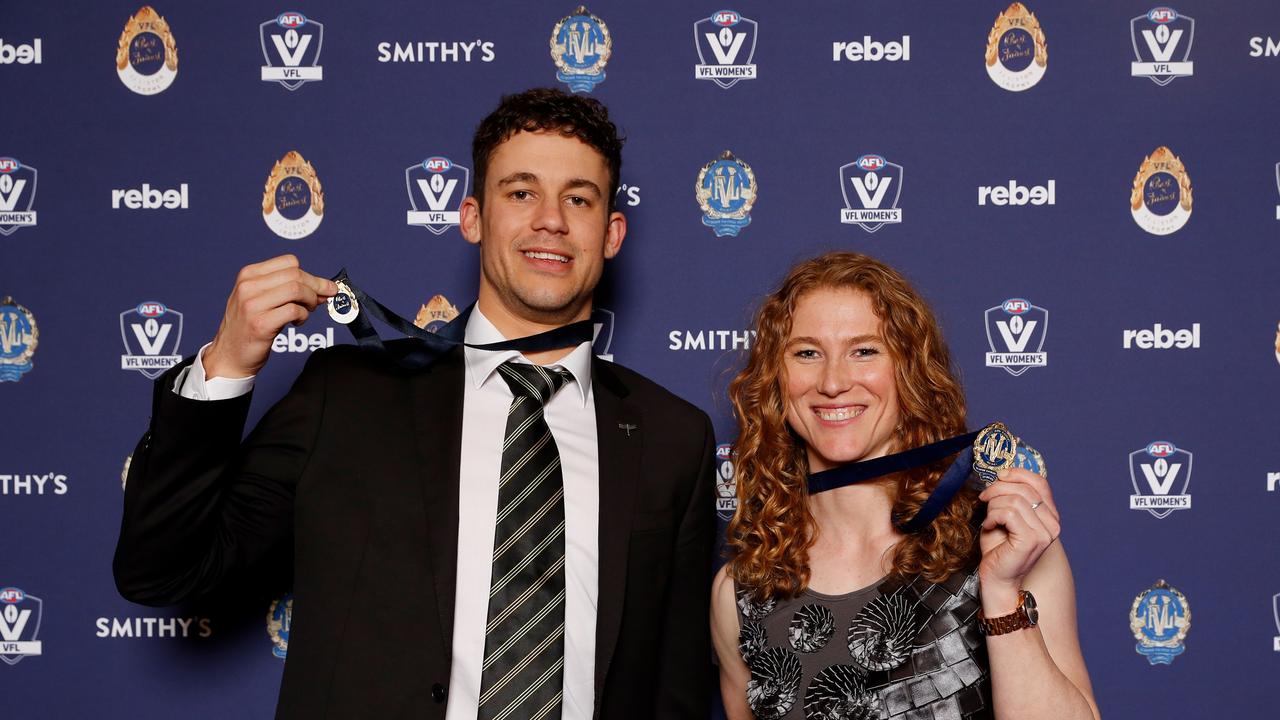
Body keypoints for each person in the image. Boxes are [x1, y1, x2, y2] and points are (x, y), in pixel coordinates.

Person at [114, 88, 715, 720]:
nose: (551, 220)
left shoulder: (673, 439)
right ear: (472, 218)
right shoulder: (347, 397)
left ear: (611, 232)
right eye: (520, 192)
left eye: (578, 198)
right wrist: (228, 365)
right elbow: (162, 570)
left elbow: (672, 691)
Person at [710, 252, 1099, 720]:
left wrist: (1001, 593)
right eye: (807, 353)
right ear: (775, 380)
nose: (833, 381)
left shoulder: (1002, 541)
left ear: (909, 371)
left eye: (864, 350)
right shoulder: (742, 591)